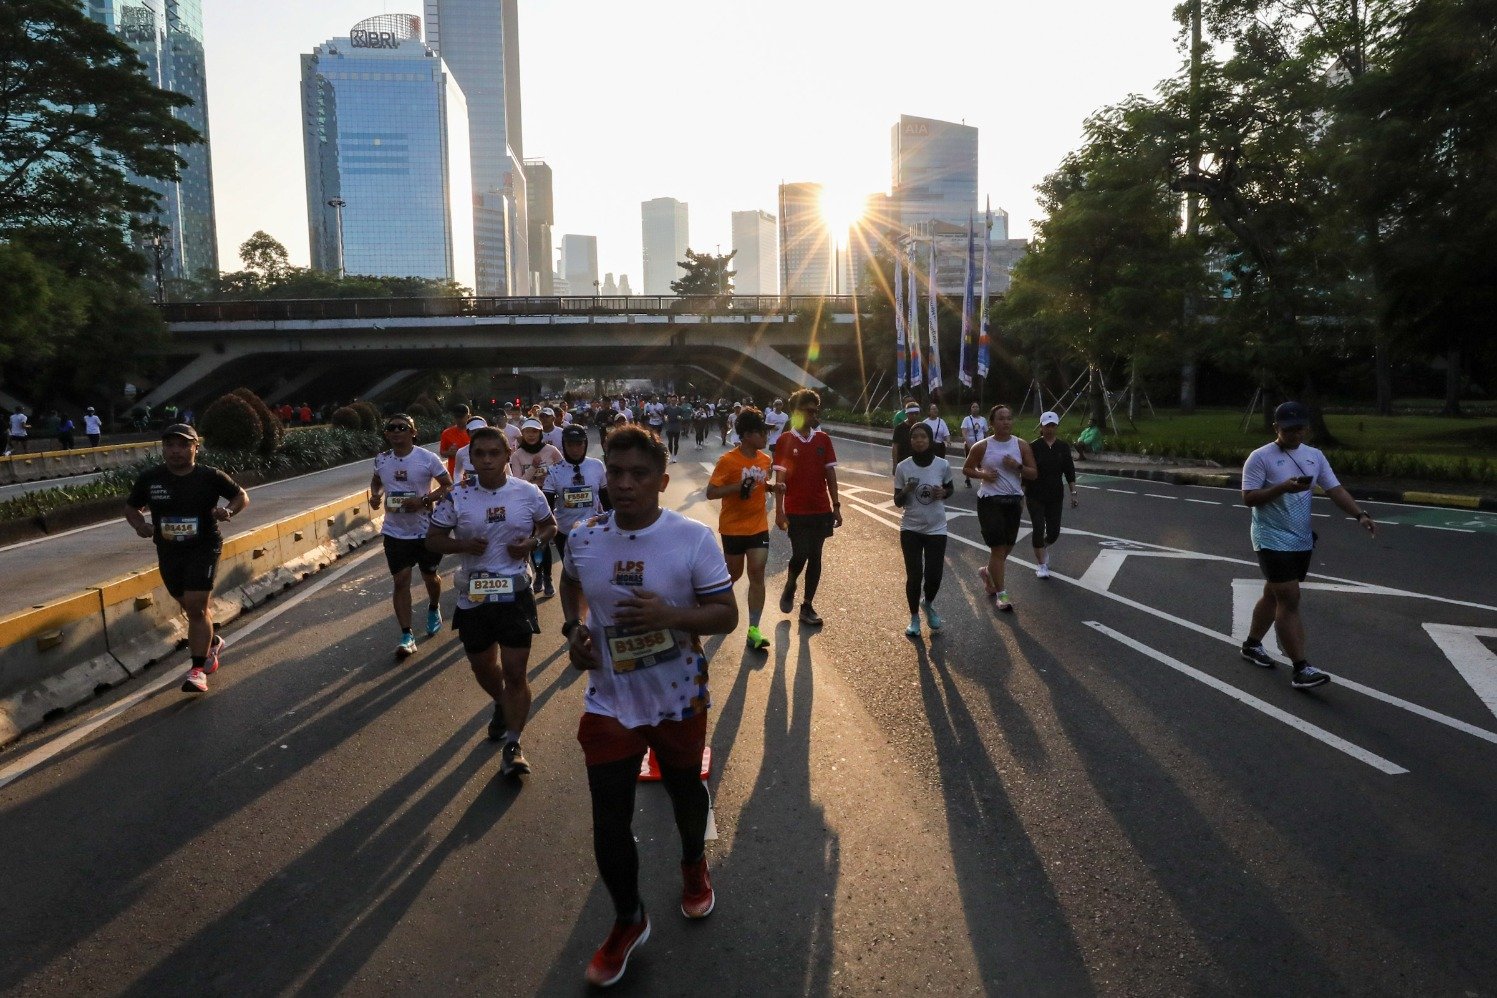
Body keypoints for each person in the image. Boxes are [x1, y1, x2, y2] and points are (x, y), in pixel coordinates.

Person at [558, 426, 738, 989]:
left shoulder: (692, 539)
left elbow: (726, 614)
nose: (626, 484)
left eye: (639, 475)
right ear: (603, 475)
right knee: (608, 815)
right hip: (609, 697)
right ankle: (629, 918)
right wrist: (573, 630)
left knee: (686, 791)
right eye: (616, 473)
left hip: (679, 696)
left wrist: (670, 616)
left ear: (662, 481)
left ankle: (692, 865)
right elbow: (571, 586)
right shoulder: (584, 537)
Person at [427, 427, 555, 776]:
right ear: (471, 457)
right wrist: (461, 547)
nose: (486, 460)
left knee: (516, 672)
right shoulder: (458, 496)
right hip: (474, 596)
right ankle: (500, 703)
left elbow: (549, 527)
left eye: (493, 453)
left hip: (515, 592)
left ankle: (513, 743)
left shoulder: (528, 493)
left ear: (506, 454)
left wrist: (531, 544)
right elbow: (433, 539)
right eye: (478, 454)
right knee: (483, 667)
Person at [1239, 401, 1376, 689]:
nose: (1296, 434)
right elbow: (1249, 497)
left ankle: (1251, 644)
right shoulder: (1260, 457)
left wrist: (1359, 514)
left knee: (1274, 595)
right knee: (1290, 599)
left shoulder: (1314, 456)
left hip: (1300, 538)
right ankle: (1301, 668)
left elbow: (1334, 489)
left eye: (1300, 428)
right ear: (1277, 428)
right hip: (1270, 536)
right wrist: (1282, 488)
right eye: (1289, 430)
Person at [124, 424, 249, 693]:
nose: (175, 451)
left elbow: (241, 496)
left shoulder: (210, 476)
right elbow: (131, 506)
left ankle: (197, 670)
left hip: (203, 546)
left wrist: (228, 510)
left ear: (195, 447)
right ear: (163, 449)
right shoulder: (150, 478)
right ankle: (212, 641)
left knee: (195, 606)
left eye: (182, 445)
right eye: (169, 445)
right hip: (168, 549)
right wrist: (139, 525)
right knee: (189, 605)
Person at [368, 414, 452, 658]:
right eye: (391, 428)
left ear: (413, 432)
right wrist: (375, 495)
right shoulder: (382, 459)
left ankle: (434, 607)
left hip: (425, 529)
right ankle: (407, 635)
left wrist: (425, 500)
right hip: (395, 531)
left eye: (402, 428)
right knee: (401, 580)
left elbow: (447, 486)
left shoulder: (427, 458)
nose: (396, 432)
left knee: (429, 576)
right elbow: (376, 481)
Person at [707, 407, 781, 652]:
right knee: (734, 575)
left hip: (758, 526)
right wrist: (736, 487)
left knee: (757, 572)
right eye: (763, 433)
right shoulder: (727, 461)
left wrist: (771, 488)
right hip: (733, 528)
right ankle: (716, 608)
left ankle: (754, 629)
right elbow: (711, 492)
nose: (766, 438)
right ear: (748, 434)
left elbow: (760, 484)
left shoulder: (765, 460)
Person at [773, 388, 841, 626]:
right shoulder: (784, 441)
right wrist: (779, 511)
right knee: (800, 554)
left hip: (820, 508)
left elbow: (830, 473)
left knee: (816, 556)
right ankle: (791, 584)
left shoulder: (823, 439)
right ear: (796, 412)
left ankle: (807, 605)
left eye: (816, 411)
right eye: (808, 410)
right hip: (796, 509)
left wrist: (836, 505)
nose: (814, 415)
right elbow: (779, 480)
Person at [962, 405, 1036, 612]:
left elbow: (1033, 474)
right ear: (992, 423)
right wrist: (983, 475)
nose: (1006, 422)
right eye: (1001, 419)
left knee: (1008, 547)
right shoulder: (982, 446)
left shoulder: (1021, 446)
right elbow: (966, 468)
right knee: (998, 548)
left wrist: (1017, 466)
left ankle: (987, 571)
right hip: (990, 501)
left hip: (1013, 502)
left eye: (1009, 418)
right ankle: (1001, 593)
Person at [893, 422, 954, 637]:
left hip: (937, 528)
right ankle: (914, 618)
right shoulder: (903, 467)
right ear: (910, 441)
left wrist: (943, 493)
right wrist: (907, 489)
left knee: (934, 575)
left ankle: (927, 604)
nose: (919, 440)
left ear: (930, 440)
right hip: (910, 528)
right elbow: (897, 501)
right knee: (914, 574)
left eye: (923, 437)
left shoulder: (942, 465)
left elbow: (950, 488)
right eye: (915, 437)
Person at [543, 424, 609, 582]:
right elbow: (547, 505)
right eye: (570, 444)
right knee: (571, 575)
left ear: (585, 444)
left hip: (593, 529)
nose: (575, 449)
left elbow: (607, 500)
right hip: (564, 531)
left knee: (592, 573)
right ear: (563, 445)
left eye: (579, 444)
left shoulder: (597, 466)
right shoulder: (554, 470)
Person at [511, 418, 563, 595]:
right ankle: (538, 574)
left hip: (547, 498)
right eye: (527, 432)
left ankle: (547, 577)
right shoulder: (517, 455)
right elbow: (519, 482)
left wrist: (550, 476)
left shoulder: (551, 451)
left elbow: (563, 472)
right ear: (522, 434)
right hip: (526, 501)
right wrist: (533, 468)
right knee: (533, 539)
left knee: (543, 540)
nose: (531, 435)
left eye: (534, 431)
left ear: (540, 433)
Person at [1026, 410, 1078, 579]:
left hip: (1055, 495)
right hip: (1035, 494)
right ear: (1041, 426)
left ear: (1056, 426)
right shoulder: (1033, 446)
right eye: (1047, 425)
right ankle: (1041, 565)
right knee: (1038, 528)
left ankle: (1043, 546)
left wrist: (1073, 493)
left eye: (1053, 425)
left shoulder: (1062, 447)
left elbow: (1069, 471)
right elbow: (1026, 471)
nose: (1050, 429)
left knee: (1054, 532)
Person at [439, 404, 472, 478]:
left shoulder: (475, 432)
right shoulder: (446, 433)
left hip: (472, 473)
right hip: (454, 474)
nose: (459, 420)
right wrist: (449, 453)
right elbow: (442, 452)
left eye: (462, 417)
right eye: (457, 417)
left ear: (469, 416)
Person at [959, 402, 988, 488]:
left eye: (977, 407)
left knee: (983, 462)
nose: (975, 408)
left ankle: (984, 478)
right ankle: (967, 480)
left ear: (979, 409)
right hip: (970, 444)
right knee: (969, 462)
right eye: (973, 407)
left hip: (981, 445)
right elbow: (964, 432)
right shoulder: (967, 419)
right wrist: (967, 443)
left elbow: (986, 432)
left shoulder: (983, 419)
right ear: (971, 409)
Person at [890, 402, 922, 474]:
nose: (914, 416)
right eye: (911, 414)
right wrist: (895, 465)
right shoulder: (899, 428)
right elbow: (895, 446)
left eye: (916, 413)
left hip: (917, 463)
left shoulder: (920, 427)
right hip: (902, 462)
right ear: (907, 414)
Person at [662, 394, 685, 462]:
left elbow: (682, 417)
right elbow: (664, 415)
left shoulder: (679, 409)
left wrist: (680, 417)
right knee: (670, 442)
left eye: (675, 400)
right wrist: (665, 418)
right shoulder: (667, 408)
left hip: (677, 427)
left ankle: (675, 455)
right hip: (669, 427)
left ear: (677, 401)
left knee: (676, 443)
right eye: (672, 400)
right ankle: (671, 455)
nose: (673, 402)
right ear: (670, 401)